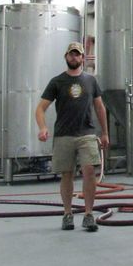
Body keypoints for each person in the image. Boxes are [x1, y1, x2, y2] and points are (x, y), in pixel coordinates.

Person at [36, 42, 109, 232]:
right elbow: (40, 108)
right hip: (63, 135)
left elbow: (100, 107)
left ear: (83, 58)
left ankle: (88, 215)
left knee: (89, 172)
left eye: (77, 55)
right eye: (71, 55)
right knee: (67, 174)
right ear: (66, 57)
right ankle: (67, 214)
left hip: (86, 133)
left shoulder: (91, 81)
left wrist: (105, 133)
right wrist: (43, 127)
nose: (74, 58)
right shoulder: (57, 82)